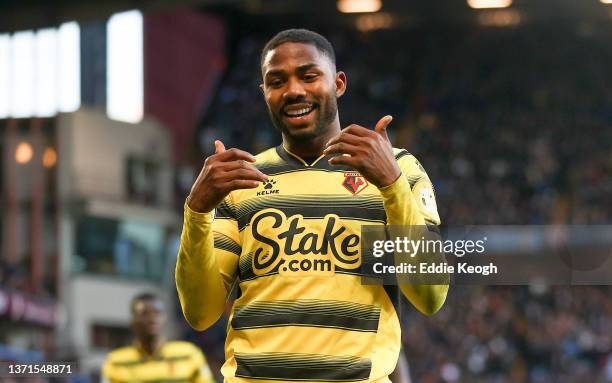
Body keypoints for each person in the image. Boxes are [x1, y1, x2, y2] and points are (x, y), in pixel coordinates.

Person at [176, 29, 448, 382]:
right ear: (264, 93)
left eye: (308, 76)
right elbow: (200, 312)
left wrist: (391, 184)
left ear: (338, 83)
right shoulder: (240, 182)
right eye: (277, 81)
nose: (293, 91)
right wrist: (196, 211)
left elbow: (430, 295)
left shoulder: (397, 168)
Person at [101, 293, 215, 383]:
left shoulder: (189, 354)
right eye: (144, 313)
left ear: (164, 318)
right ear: (132, 321)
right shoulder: (116, 362)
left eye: (157, 312)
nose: (152, 318)